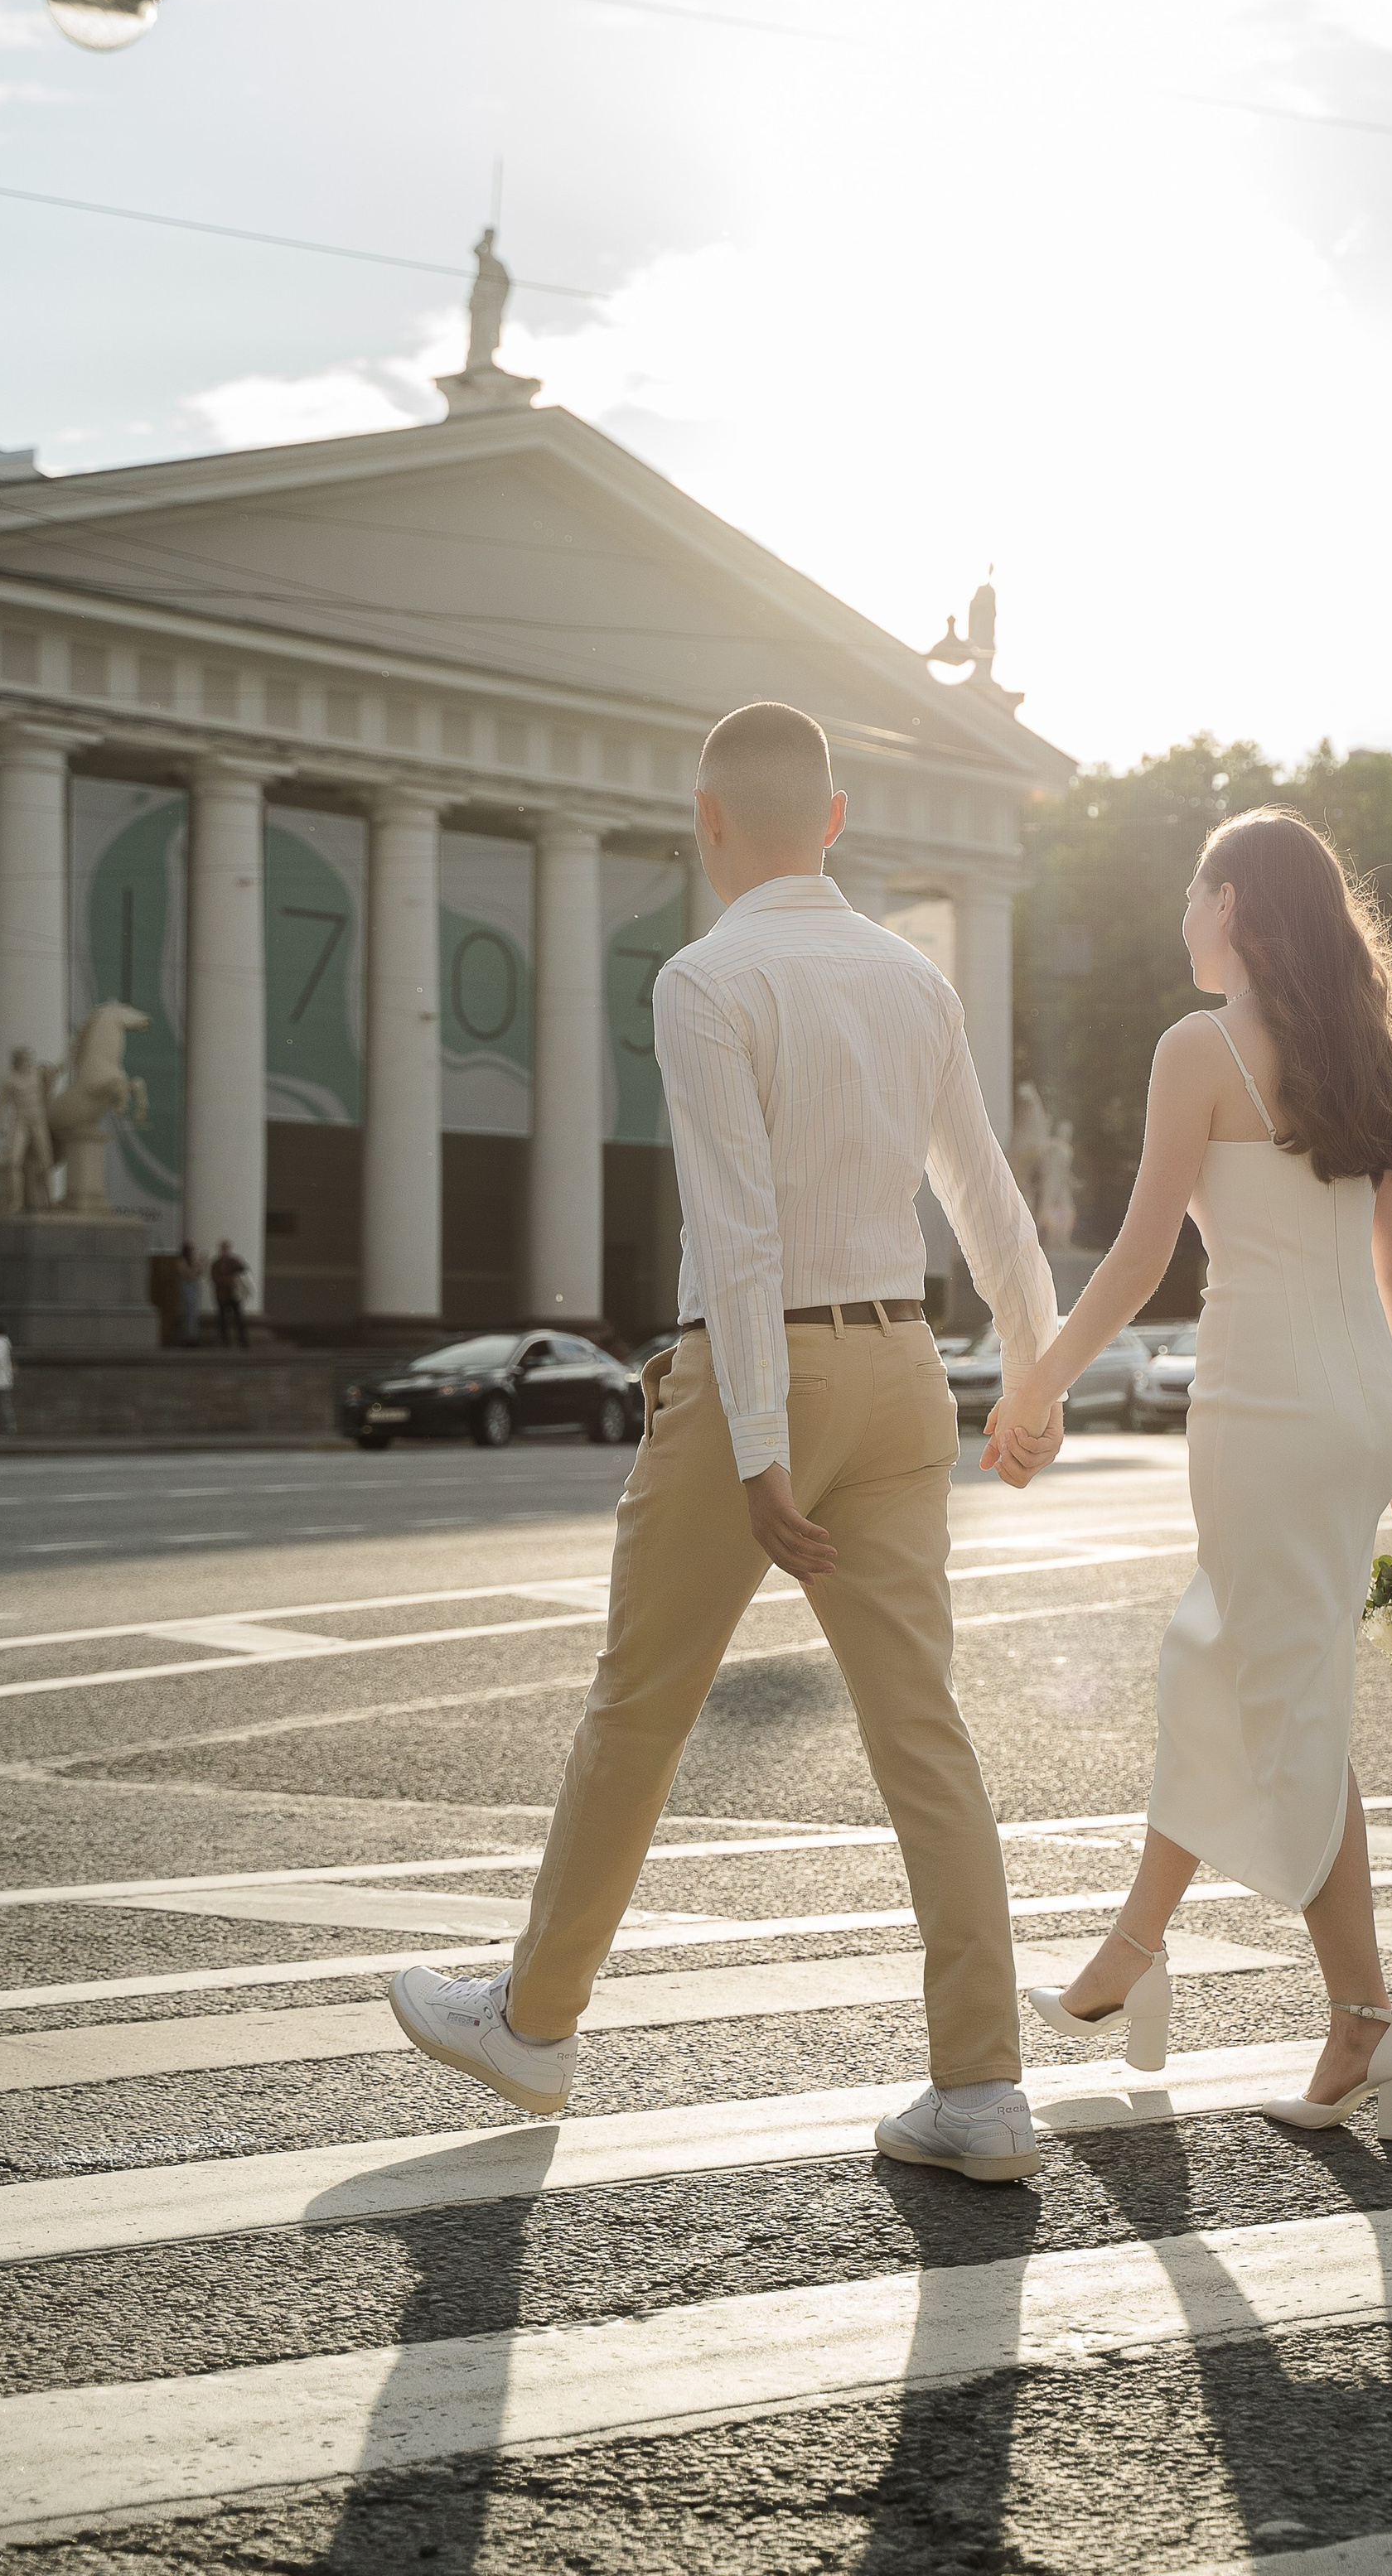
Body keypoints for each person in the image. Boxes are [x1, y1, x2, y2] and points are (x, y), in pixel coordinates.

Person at [389, 702, 1061, 2180]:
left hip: (759, 1379)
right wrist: (1036, 1376)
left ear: (706, 825)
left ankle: (535, 2025)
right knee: (924, 1734)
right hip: (904, 1370)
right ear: (835, 822)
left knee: (639, 1708)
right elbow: (989, 1202)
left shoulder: (705, 979)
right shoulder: (916, 980)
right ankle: (983, 2091)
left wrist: (759, 1447)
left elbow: (740, 1232)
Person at [988, 808, 1392, 2133]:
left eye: (1194, 893)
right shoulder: (1359, 1051)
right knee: (1219, 1663)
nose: (1182, 918)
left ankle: (1364, 2019)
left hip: (1263, 1404)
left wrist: (1036, 1386)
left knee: (1285, 1699)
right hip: (1354, 1402)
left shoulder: (1198, 1048)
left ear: (1233, 901)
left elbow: (1143, 1255)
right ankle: (1132, 1956)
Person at [210, 1241, 249, 1348]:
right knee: (222, 1320)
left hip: (234, 1295)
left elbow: (243, 1270)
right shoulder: (216, 1263)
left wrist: (240, 1264)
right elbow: (215, 1278)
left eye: (227, 1249)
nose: (225, 1251)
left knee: (239, 1319)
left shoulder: (234, 1261)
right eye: (223, 1249)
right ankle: (225, 1342)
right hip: (222, 1295)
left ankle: (243, 1341)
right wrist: (228, 1281)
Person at [174, 1242, 206, 1348]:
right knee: (187, 1311)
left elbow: (199, 1273)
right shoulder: (182, 1261)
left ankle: (193, 1337)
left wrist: (201, 1263)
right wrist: (198, 1264)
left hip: (194, 1286)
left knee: (193, 1312)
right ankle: (187, 1337)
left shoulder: (193, 1262)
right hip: (186, 1286)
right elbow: (190, 1275)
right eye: (192, 1251)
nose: (193, 1253)